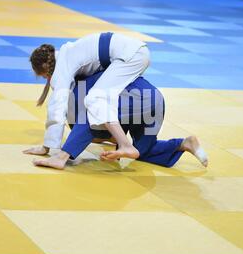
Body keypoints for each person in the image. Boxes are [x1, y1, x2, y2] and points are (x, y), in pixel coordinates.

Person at [24, 71, 208, 170]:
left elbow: (86, 124)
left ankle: (61, 158)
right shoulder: (108, 72)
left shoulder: (81, 86)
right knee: (142, 150)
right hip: (155, 100)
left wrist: (52, 149)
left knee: (92, 117)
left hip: (135, 100)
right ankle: (184, 144)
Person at [26, 32, 150, 161]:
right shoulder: (67, 53)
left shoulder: (61, 70)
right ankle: (110, 136)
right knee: (98, 96)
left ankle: (126, 146)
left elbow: (56, 109)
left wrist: (46, 147)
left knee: (95, 98)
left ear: (46, 71)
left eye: (44, 77)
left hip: (131, 56)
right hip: (134, 52)